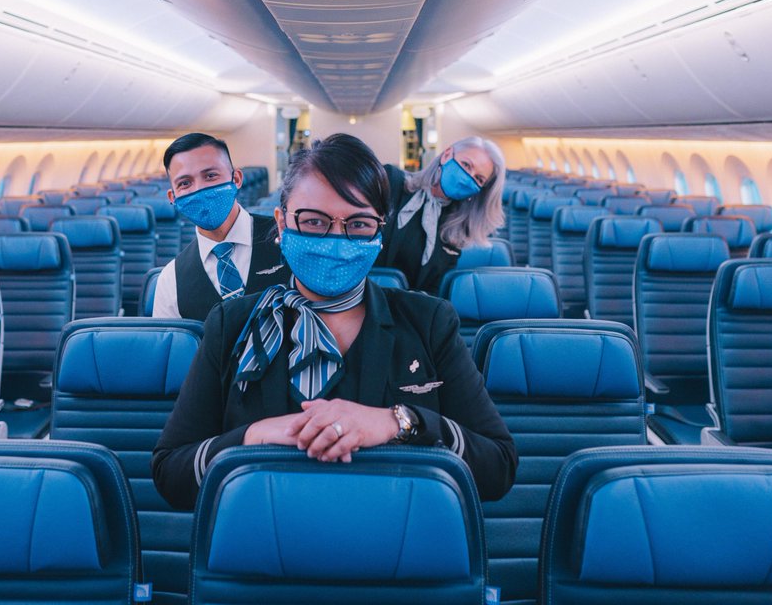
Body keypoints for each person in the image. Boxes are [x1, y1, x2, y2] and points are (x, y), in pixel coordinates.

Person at [152, 133, 516, 509]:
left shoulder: (428, 322)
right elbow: (171, 473)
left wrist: (399, 422)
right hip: (260, 546)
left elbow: (498, 466)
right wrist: (252, 437)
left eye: (358, 224)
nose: (335, 240)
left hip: (395, 545)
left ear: (380, 230)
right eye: (313, 222)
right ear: (280, 223)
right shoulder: (230, 325)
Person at [151, 133, 290, 321]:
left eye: (210, 176)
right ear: (173, 198)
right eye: (185, 183)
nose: (199, 189)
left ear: (237, 179)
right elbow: (174, 348)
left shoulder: (288, 238)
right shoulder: (171, 280)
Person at [377, 136, 506, 294]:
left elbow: (433, 287)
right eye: (466, 165)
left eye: (478, 179)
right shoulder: (391, 181)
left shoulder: (456, 228)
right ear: (446, 155)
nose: (467, 177)